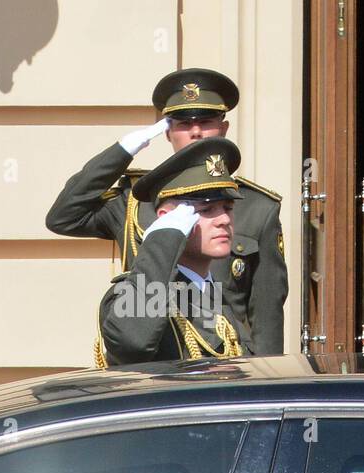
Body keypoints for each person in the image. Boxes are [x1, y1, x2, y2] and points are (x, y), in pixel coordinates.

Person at [47, 67, 287, 356]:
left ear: (223, 128)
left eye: (206, 121)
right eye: (183, 123)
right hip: (158, 348)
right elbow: (63, 217)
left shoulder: (258, 206)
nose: (196, 131)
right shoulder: (136, 199)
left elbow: (266, 316)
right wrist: (123, 150)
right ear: (168, 131)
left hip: (227, 354)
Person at [95, 137, 254, 365]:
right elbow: (133, 343)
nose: (224, 219)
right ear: (168, 221)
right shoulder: (137, 292)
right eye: (207, 209)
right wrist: (163, 240)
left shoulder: (216, 294)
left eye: (228, 208)